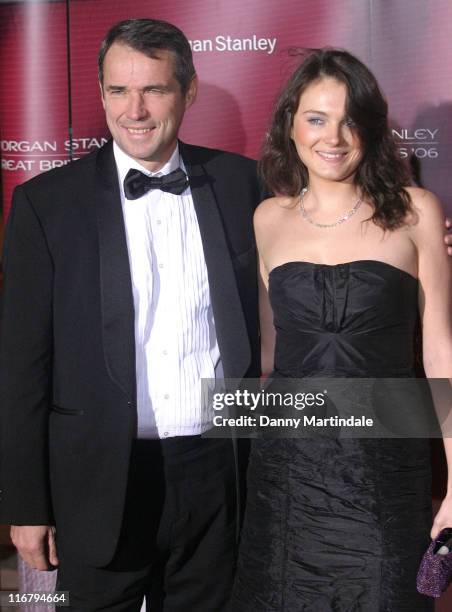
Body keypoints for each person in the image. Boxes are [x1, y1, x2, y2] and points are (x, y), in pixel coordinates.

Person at [0, 18, 262, 611]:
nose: (135, 110)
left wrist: (419, 237)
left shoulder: (242, 183)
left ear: (188, 91)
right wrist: (25, 506)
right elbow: (21, 368)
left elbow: (323, 242)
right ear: (100, 94)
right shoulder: (46, 204)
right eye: (119, 90)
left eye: (155, 89)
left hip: (216, 472)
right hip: (96, 481)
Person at [231, 49, 452, 611]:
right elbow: (270, 360)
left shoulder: (416, 212)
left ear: (371, 128)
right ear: (290, 124)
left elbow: (440, 357)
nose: (334, 136)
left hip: (382, 472)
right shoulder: (267, 219)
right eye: (316, 118)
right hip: (287, 476)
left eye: (351, 119)